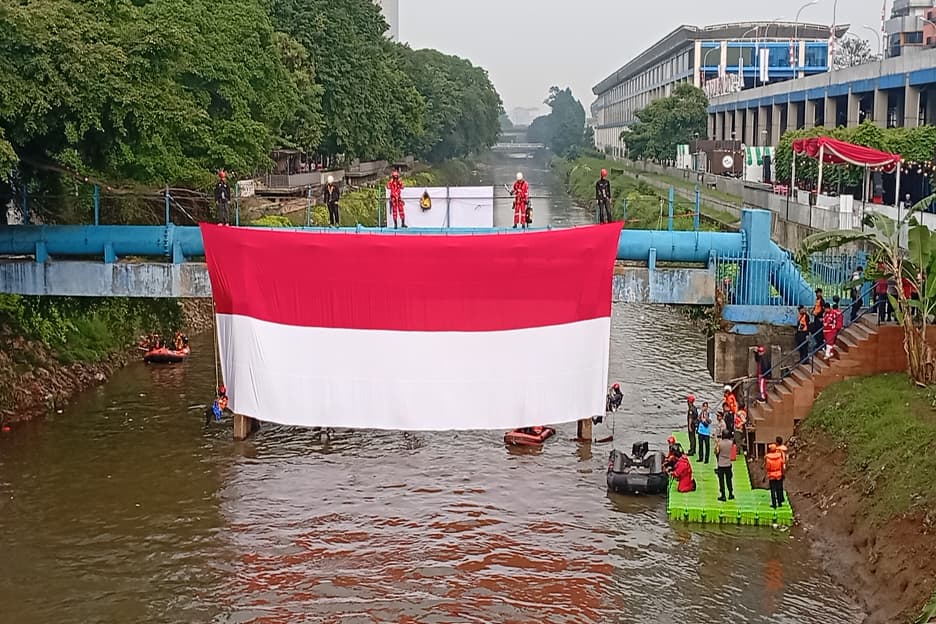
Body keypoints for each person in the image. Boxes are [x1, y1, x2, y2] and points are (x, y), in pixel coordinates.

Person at [716, 430, 735, 502]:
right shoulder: (731, 443)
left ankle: (723, 495)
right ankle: (730, 493)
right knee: (729, 480)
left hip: (721, 464)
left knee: (721, 480)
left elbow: (717, 452)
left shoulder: (720, 443)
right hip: (728, 463)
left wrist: (717, 444)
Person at [765, 443, 786, 508]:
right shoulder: (779, 458)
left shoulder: (768, 459)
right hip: (779, 474)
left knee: (773, 490)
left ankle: (774, 504)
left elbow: (768, 468)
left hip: (772, 475)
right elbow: (782, 466)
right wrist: (782, 473)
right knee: (779, 489)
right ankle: (779, 503)